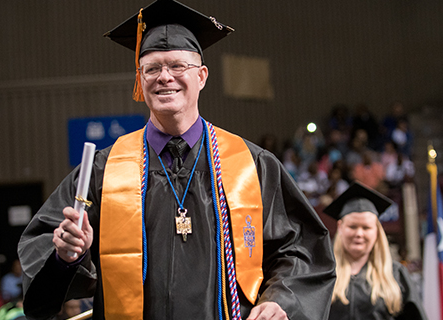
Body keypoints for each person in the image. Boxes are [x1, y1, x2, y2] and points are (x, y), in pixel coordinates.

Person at [17, 1, 336, 320]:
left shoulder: (252, 165)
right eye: (152, 68)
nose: (164, 77)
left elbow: (299, 250)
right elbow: (44, 249)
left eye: (177, 66)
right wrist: (68, 256)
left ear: (202, 76)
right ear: (140, 80)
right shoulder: (105, 169)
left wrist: (280, 300)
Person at [323, 182, 427, 320]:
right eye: (352, 226)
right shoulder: (323, 274)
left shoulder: (396, 274)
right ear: (340, 227)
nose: (359, 233)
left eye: (366, 227)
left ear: (377, 231)